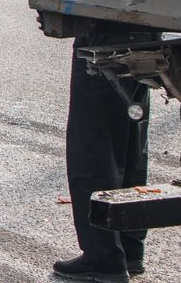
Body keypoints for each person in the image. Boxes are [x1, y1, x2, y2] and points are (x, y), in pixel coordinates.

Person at [54, 20, 160, 283]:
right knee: (130, 139)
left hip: (102, 29)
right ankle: (129, 248)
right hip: (145, 27)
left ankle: (104, 257)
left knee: (94, 144)